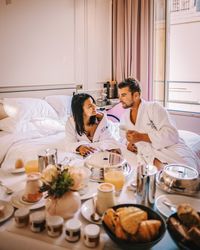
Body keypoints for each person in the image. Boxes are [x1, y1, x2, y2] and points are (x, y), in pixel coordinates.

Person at [118, 78, 200, 172]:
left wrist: (141, 137)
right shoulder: (125, 116)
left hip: (167, 148)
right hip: (147, 152)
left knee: (184, 172)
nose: (120, 99)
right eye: (120, 96)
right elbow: (122, 135)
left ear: (136, 95)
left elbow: (172, 134)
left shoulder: (154, 108)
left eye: (123, 95)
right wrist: (128, 143)